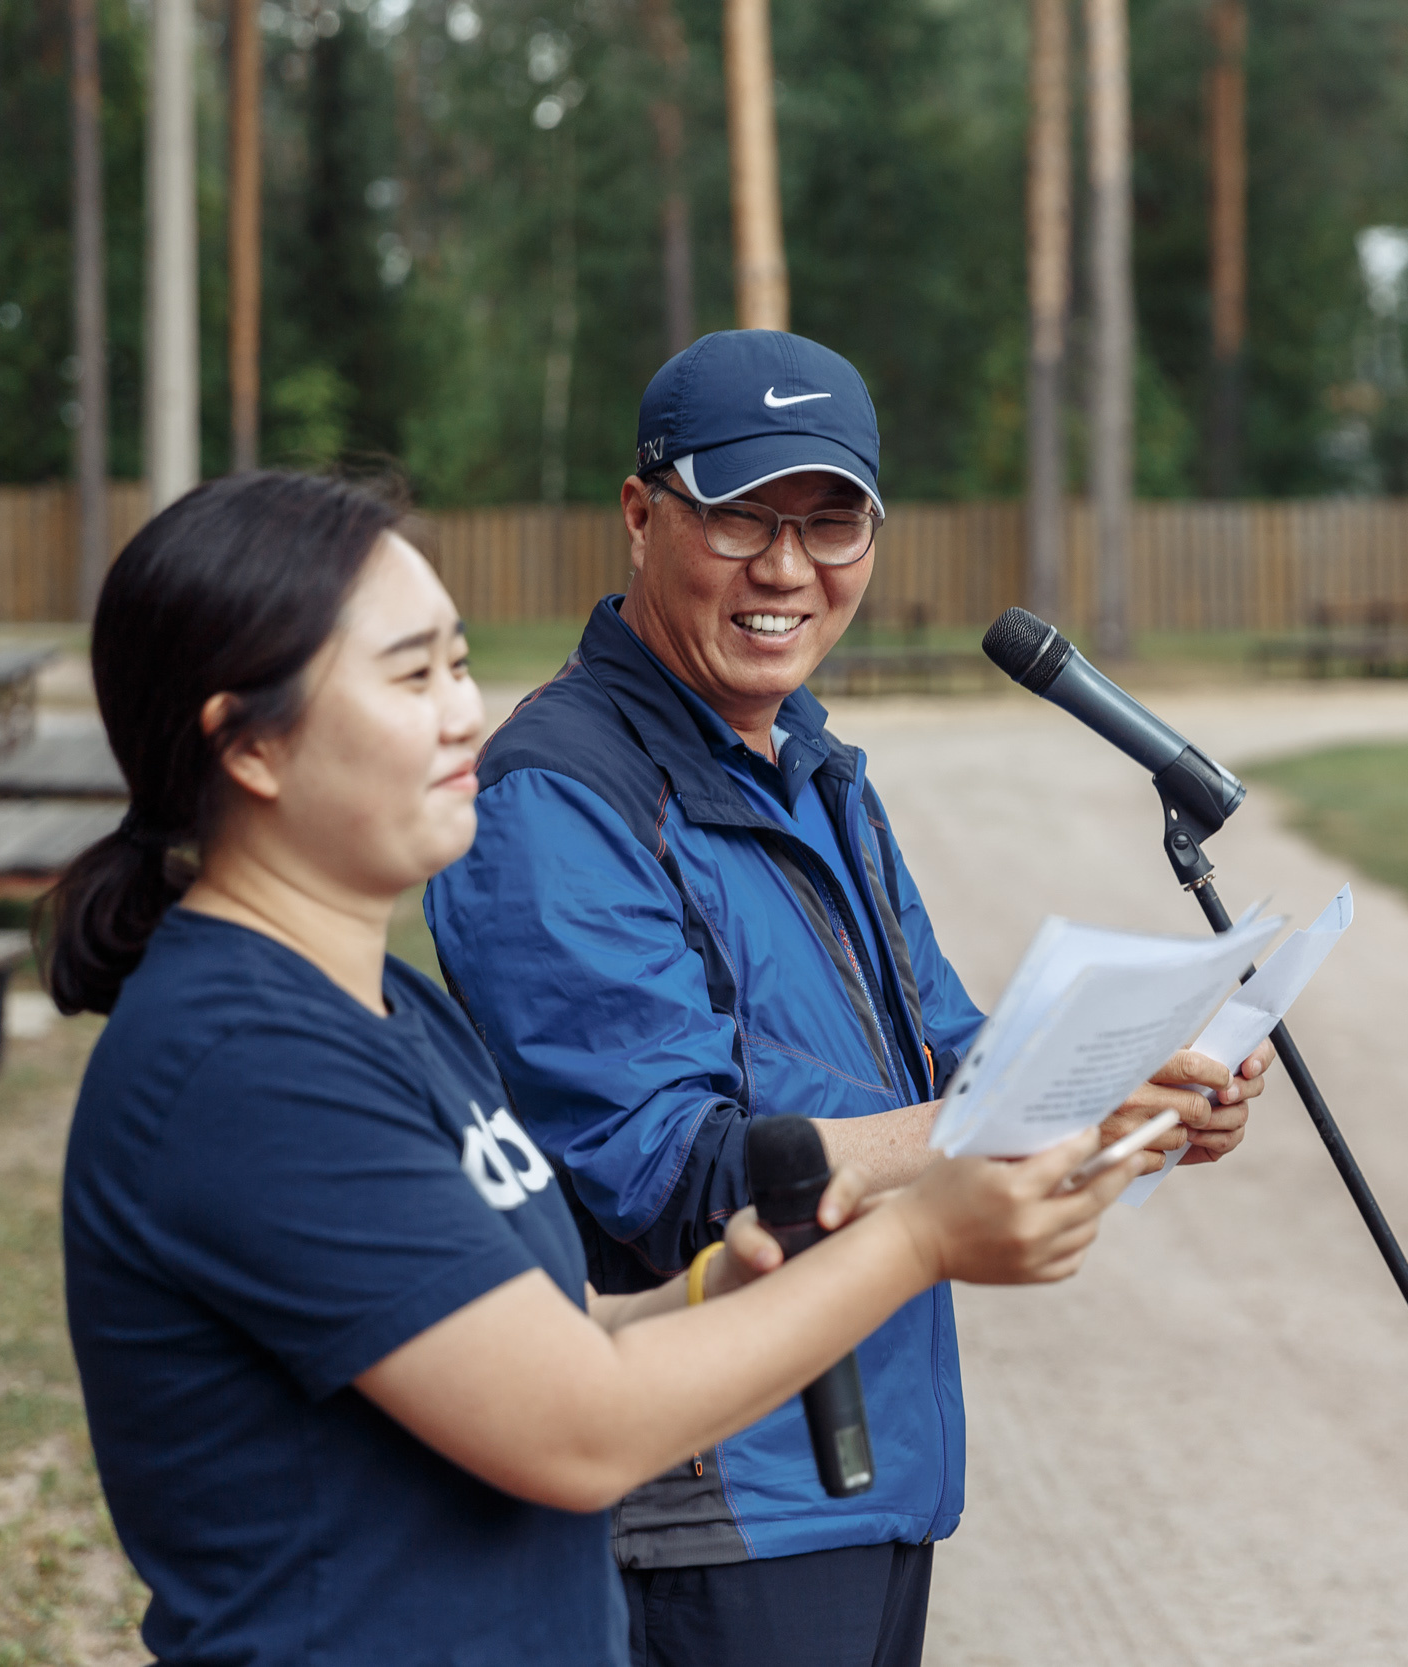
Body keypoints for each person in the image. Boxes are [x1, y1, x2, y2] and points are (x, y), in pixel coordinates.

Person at [50, 470, 1162, 1667]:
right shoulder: (246, 1066)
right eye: (411, 675)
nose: (464, 716)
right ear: (251, 744)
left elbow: (550, 1328)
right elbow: (575, 1429)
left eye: (460, 665)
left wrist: (709, 1298)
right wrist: (918, 1239)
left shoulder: (384, 1010)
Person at [424, 330, 1276, 1667]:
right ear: (642, 516)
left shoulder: (817, 766)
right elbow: (668, 1169)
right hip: (707, 1500)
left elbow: (951, 1049)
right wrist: (980, 1133)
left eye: (830, 524)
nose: (785, 569)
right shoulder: (553, 795)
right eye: (740, 517)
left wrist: (1145, 1088)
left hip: (873, 1467)